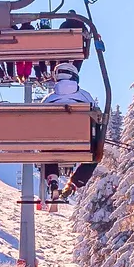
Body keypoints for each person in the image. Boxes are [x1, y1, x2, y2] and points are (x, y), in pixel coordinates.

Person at [39, 63, 99, 201]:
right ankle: (74, 183)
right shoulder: (85, 97)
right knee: (95, 155)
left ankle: (53, 179)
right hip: (80, 145)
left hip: (53, 145)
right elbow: (97, 117)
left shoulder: (48, 99)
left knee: (48, 150)